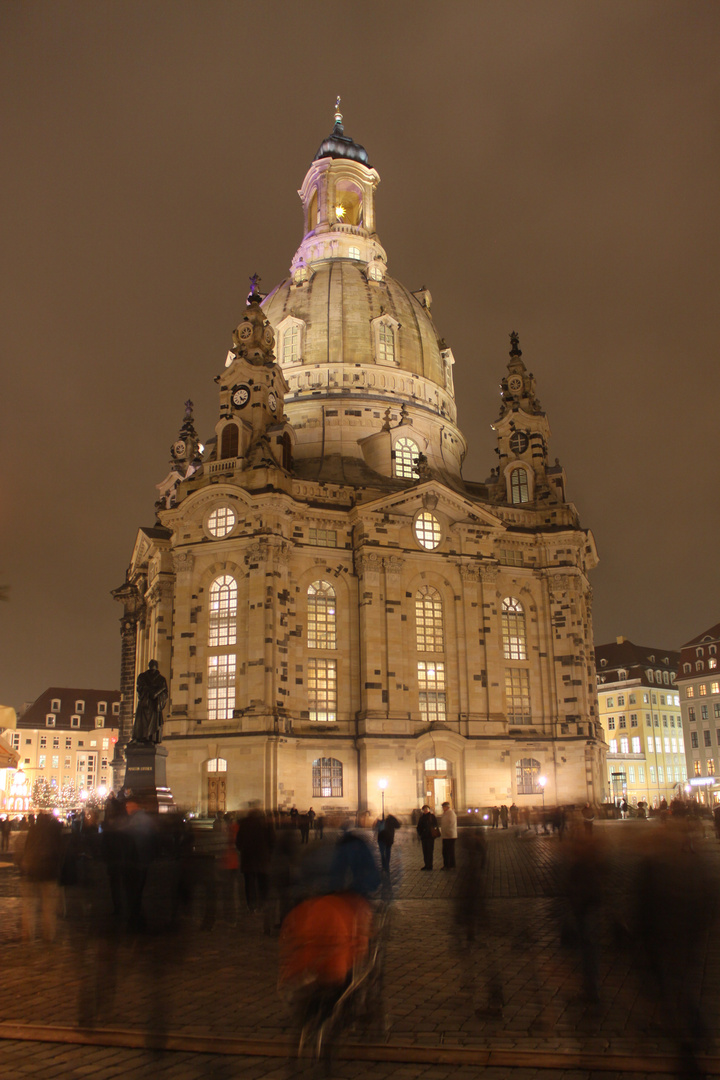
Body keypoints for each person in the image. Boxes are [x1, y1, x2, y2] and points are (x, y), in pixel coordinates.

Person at [130, 659, 168, 743]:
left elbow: (165, 693)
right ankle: (140, 738)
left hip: (154, 705)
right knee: (141, 722)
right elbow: (139, 688)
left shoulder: (161, 679)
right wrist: (149, 692)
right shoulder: (142, 677)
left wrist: (157, 696)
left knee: (152, 724)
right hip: (145, 703)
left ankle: (151, 738)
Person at [416, 805, 438, 870]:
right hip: (424, 837)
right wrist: (421, 833)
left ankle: (430, 865)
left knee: (430, 851)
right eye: (424, 809)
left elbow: (435, 825)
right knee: (425, 851)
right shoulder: (422, 817)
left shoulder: (432, 816)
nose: (425, 810)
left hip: (430, 837)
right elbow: (419, 826)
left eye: (427, 809)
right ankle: (426, 865)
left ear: (429, 809)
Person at [439, 802, 457, 869]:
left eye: (443, 807)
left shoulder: (451, 813)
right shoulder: (446, 813)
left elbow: (451, 824)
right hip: (446, 835)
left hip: (449, 835)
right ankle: (449, 864)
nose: (443, 808)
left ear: (447, 807)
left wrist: (447, 832)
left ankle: (448, 865)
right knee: (447, 851)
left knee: (448, 851)